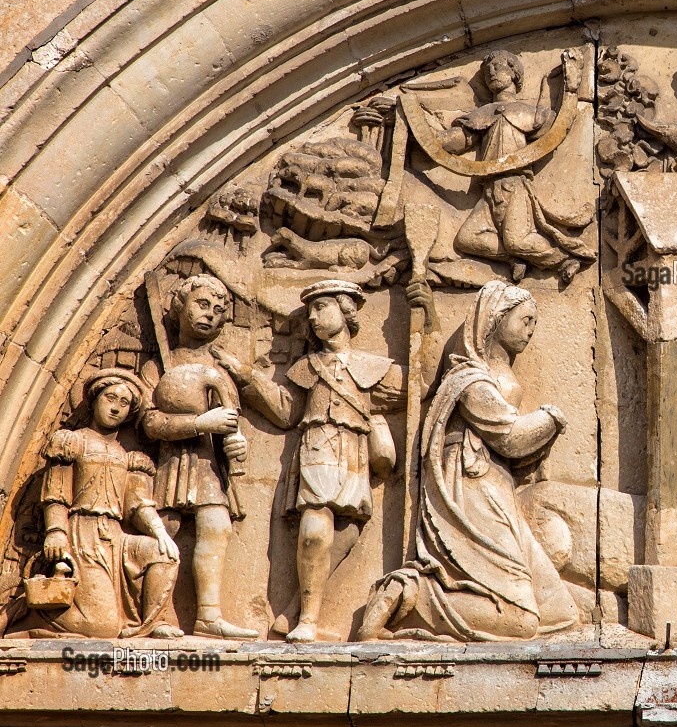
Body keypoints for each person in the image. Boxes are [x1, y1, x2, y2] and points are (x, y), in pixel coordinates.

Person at [215, 278, 439, 642]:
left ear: (346, 310)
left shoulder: (371, 367)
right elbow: (287, 411)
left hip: (353, 455)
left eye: (322, 307)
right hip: (318, 449)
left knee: (346, 532)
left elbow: (419, 387)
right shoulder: (307, 367)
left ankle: (297, 608)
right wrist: (247, 377)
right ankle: (309, 621)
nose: (314, 317)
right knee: (315, 531)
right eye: (310, 311)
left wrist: (428, 322)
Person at [355, 280, 578, 641]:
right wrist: (550, 418)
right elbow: (508, 436)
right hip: (473, 490)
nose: (530, 331)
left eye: (534, 323)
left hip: (498, 487)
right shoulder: (470, 379)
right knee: (522, 622)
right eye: (524, 320)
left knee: (560, 613)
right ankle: (411, 593)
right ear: (495, 318)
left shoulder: (492, 376)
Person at [142, 273, 284, 639]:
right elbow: (150, 423)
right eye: (202, 305)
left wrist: (237, 445)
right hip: (170, 463)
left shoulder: (221, 369)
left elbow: (232, 421)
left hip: (207, 464)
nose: (210, 315)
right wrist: (198, 421)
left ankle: (208, 615)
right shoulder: (157, 365)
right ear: (180, 306)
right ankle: (155, 617)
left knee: (216, 527)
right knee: (166, 531)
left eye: (219, 311)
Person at [28, 370, 181, 639]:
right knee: (103, 628)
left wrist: (160, 534)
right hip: (82, 536)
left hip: (117, 538)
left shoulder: (127, 457)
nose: (116, 407)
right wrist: (56, 533)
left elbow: (138, 505)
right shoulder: (72, 441)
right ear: (94, 400)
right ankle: (29, 619)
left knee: (163, 553)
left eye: (124, 404)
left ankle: (151, 623)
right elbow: (56, 494)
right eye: (110, 398)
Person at [446, 49, 594, 284]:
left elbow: (557, 127)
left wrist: (570, 87)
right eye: (488, 71)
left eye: (499, 67)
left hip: (515, 186)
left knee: (517, 239)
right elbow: (457, 140)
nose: (492, 73)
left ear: (515, 73)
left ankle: (563, 259)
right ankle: (514, 258)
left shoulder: (528, 113)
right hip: (489, 189)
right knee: (466, 239)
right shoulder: (482, 114)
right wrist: (424, 134)